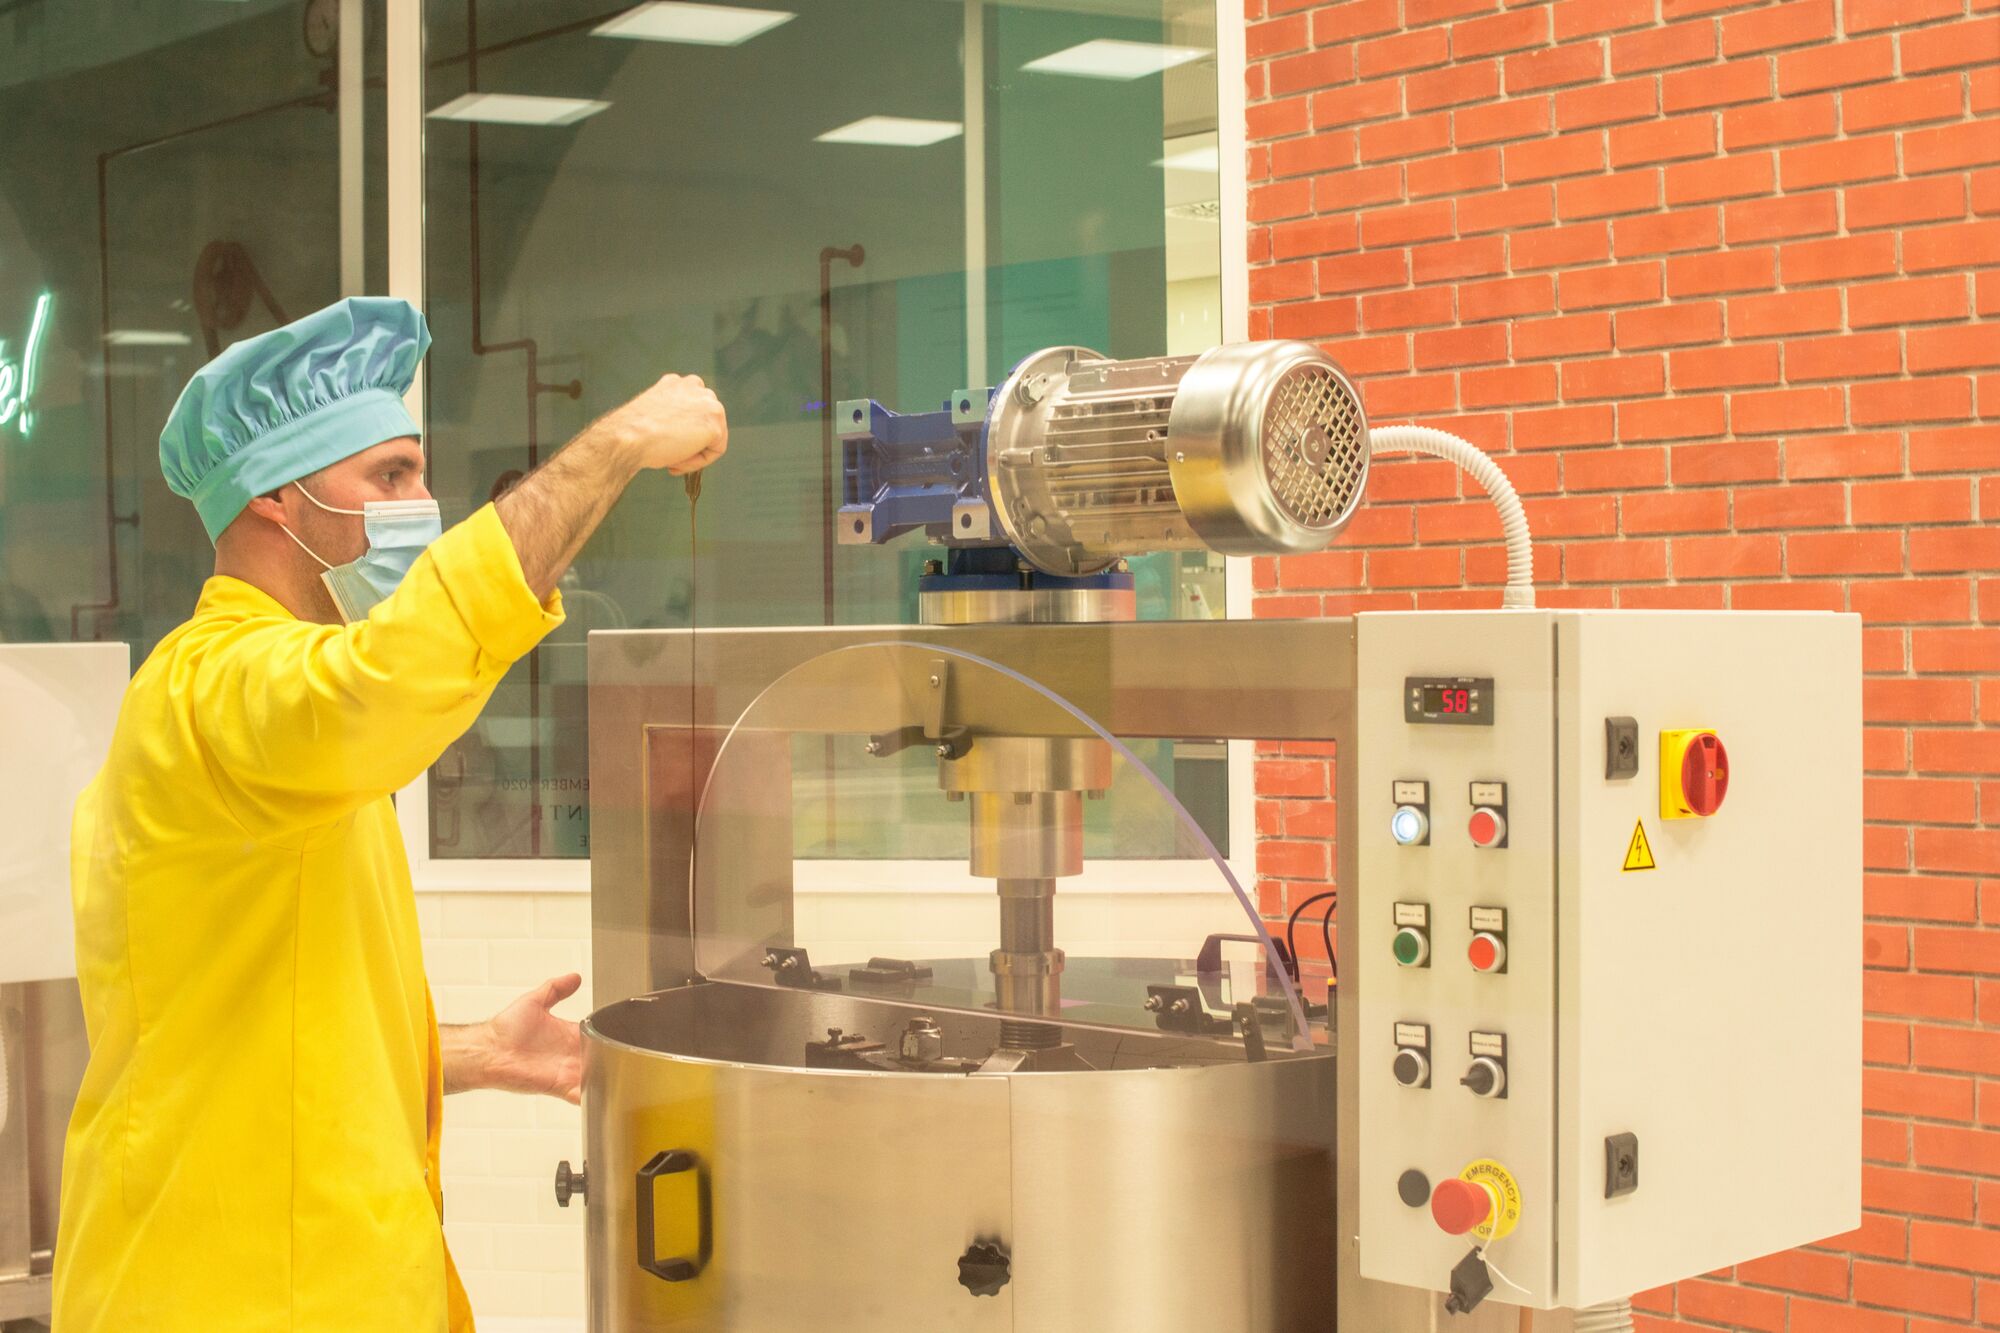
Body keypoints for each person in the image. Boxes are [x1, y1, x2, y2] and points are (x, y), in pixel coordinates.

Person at [54, 296, 726, 1331]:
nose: (423, 501)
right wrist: (619, 444)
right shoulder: (217, 694)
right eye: (390, 476)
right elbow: (390, 676)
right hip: (229, 1293)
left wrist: (465, 1053)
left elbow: (249, 1025)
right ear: (278, 496)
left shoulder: (274, 734)